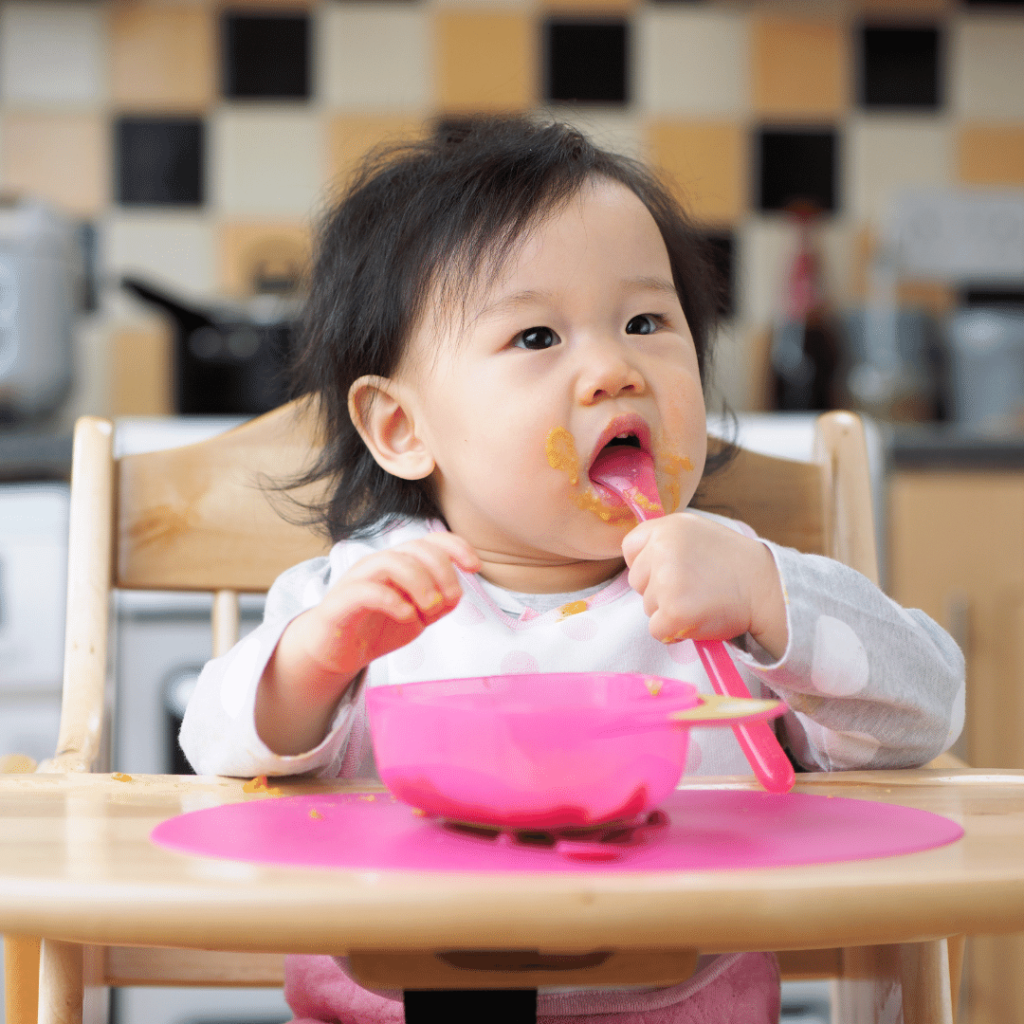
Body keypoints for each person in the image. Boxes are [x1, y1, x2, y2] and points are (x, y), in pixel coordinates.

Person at [181, 115, 965, 1024]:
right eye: (537, 338)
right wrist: (316, 664)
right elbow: (214, 744)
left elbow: (929, 708)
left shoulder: (729, 591)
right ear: (402, 428)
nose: (612, 370)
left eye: (644, 321)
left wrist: (765, 594)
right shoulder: (364, 600)